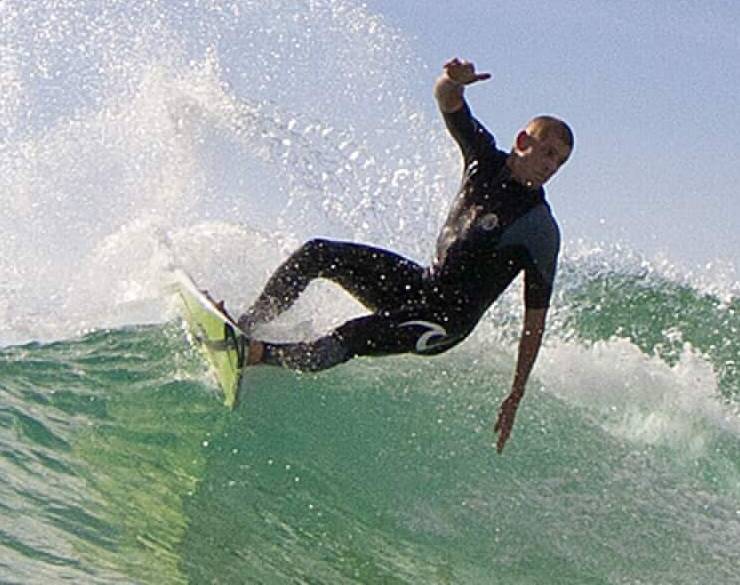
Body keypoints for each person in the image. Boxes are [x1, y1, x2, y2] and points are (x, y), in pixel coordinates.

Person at [236, 58, 573, 453]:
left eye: (560, 161)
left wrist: (515, 394)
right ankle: (247, 324)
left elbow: (535, 321)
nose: (551, 166)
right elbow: (448, 100)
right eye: (547, 152)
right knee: (318, 253)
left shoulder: (540, 229)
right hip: (423, 284)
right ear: (522, 142)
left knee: (351, 335)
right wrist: (452, 80)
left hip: (445, 322)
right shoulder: (484, 159)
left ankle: (257, 355)